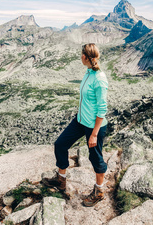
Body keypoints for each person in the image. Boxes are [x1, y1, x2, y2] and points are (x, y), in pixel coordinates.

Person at [42, 43, 109, 207]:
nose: (80, 57)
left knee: (96, 158)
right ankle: (61, 180)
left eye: (81, 55)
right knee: (60, 144)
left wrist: (94, 134)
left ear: (86, 57)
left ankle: (99, 191)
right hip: (80, 120)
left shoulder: (99, 79)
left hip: (94, 126)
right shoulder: (88, 72)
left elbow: (102, 108)